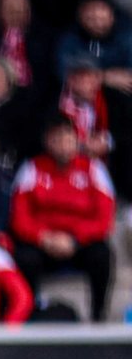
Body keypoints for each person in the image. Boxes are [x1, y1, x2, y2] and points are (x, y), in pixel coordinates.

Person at [9, 115, 118, 320]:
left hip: (79, 243)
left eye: (68, 138)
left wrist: (75, 239)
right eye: (56, 139)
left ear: (77, 140)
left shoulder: (94, 168)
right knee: (24, 257)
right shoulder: (31, 168)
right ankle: (30, 314)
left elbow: (104, 219)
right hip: (43, 242)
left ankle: (98, 315)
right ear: (47, 141)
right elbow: (20, 217)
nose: (63, 145)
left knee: (102, 255)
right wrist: (44, 238)